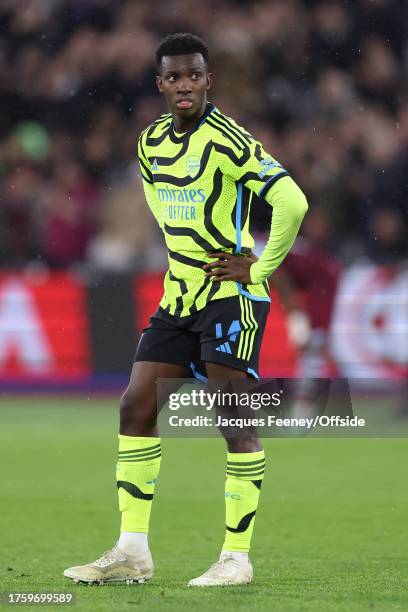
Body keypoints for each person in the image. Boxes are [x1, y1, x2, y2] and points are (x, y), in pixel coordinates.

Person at [64, 33, 308, 587]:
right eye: (174, 77)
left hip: (229, 297)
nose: (184, 85)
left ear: (208, 80)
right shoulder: (150, 142)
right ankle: (132, 551)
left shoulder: (230, 139)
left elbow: (292, 201)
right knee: (135, 406)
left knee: (233, 418)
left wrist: (259, 267)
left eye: (194, 75)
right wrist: (184, 258)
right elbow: (157, 200)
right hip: (179, 297)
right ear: (160, 84)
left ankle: (236, 558)